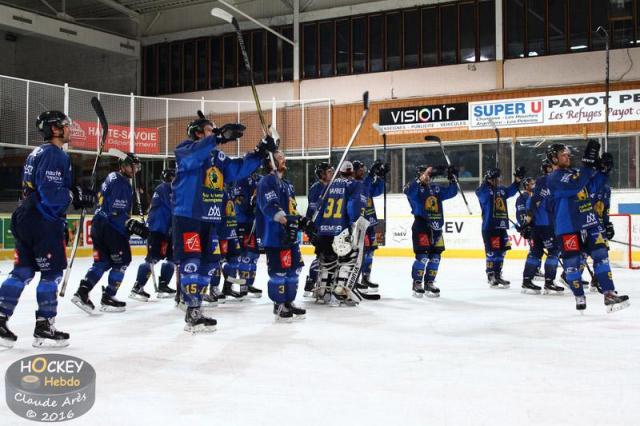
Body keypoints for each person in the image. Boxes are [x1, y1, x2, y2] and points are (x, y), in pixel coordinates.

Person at [0, 111, 95, 348]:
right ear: (55, 129)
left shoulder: (37, 153)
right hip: (42, 220)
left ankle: (0, 319)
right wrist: (75, 195)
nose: (70, 129)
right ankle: (44, 327)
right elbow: (52, 194)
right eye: (66, 125)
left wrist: (73, 189)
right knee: (51, 274)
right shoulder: (55, 154)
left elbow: (45, 186)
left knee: (22, 271)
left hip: (25, 216)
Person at [172, 116, 269, 332]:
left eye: (216, 130)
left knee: (209, 263)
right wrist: (217, 137)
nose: (215, 131)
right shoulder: (184, 149)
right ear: (198, 133)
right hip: (189, 215)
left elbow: (239, 170)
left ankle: (195, 301)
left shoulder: (218, 157)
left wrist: (260, 152)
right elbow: (195, 156)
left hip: (210, 217)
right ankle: (192, 309)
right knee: (192, 261)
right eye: (210, 129)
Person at [546, 141, 629, 312]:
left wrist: (603, 171)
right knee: (572, 264)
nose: (567, 156)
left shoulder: (575, 172)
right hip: (567, 226)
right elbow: (576, 185)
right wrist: (588, 166)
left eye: (567, 154)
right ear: (554, 159)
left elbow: (591, 186)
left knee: (601, 255)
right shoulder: (553, 178)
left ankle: (609, 293)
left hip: (589, 221)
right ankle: (579, 295)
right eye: (563, 154)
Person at [72, 153, 146, 314]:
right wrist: (129, 224)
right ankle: (108, 297)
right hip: (110, 228)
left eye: (137, 167)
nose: (134, 170)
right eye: (131, 166)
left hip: (98, 225)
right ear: (123, 165)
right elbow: (115, 212)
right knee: (123, 261)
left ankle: (82, 292)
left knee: (102, 262)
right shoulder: (122, 184)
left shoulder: (111, 177)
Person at [256, 150, 313, 320]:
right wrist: (286, 220)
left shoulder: (287, 184)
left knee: (294, 269)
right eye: (280, 157)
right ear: (270, 162)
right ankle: (279, 305)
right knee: (278, 272)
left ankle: (288, 301)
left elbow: (291, 209)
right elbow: (270, 207)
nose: (284, 159)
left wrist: (301, 220)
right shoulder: (266, 182)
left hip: (290, 235)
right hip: (274, 236)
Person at [310, 161, 366, 306]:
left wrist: (316, 228)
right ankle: (341, 290)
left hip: (324, 231)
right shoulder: (354, 184)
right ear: (352, 172)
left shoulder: (329, 185)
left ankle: (323, 292)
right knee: (349, 259)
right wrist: (354, 223)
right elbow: (352, 206)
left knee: (326, 261)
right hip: (341, 230)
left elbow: (319, 208)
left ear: (339, 172)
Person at [403, 164, 457, 297]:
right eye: (424, 174)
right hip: (421, 226)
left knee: (436, 258)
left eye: (428, 174)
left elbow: (452, 192)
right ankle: (417, 283)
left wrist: (453, 179)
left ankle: (429, 282)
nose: (427, 176)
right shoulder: (413, 189)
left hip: (437, 228)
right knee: (422, 257)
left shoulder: (435, 188)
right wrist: (420, 179)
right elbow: (407, 191)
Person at [130, 168, 177, 301]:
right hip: (160, 230)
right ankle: (137, 287)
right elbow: (173, 208)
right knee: (152, 259)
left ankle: (163, 285)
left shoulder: (161, 188)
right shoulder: (166, 188)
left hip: (163, 229)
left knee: (171, 258)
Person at [519, 161, 564, 295]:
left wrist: (527, 224)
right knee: (553, 252)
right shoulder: (548, 183)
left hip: (538, 226)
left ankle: (526, 281)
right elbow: (533, 203)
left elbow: (531, 203)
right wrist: (527, 223)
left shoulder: (542, 184)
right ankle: (549, 282)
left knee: (535, 253)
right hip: (547, 225)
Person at [476, 166, 524, 288]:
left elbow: (511, 191)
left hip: (501, 226)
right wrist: (488, 182)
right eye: (498, 178)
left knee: (502, 252)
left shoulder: (501, 190)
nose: (500, 180)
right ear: (491, 179)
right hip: (489, 226)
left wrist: (518, 180)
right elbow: (483, 195)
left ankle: (498, 274)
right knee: (492, 252)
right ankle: (490, 274)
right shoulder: (484, 190)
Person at [353, 159, 388, 293]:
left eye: (364, 169)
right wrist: (371, 175)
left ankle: (365, 277)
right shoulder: (354, 184)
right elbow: (363, 186)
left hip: (370, 223)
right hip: (360, 224)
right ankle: (354, 279)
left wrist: (380, 178)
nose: (363, 171)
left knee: (369, 253)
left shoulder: (365, 182)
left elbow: (377, 191)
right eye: (360, 169)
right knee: (359, 253)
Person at [303, 161, 334, 297]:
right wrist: (314, 229)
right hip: (317, 227)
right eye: (329, 171)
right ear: (321, 174)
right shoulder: (317, 187)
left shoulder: (331, 186)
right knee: (321, 256)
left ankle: (325, 282)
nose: (332, 173)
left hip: (328, 227)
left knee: (328, 256)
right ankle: (311, 281)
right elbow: (314, 209)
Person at [586, 152, 614, 293]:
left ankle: (597, 280)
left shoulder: (607, 190)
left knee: (603, 252)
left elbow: (605, 209)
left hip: (599, 224)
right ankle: (568, 275)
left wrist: (607, 224)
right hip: (585, 224)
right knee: (584, 253)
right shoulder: (589, 183)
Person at [233, 172, 263, 299]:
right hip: (242, 222)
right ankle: (242, 285)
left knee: (254, 255)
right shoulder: (240, 179)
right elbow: (239, 201)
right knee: (245, 255)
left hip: (255, 222)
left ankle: (249, 283)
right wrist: (251, 204)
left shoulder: (261, 179)